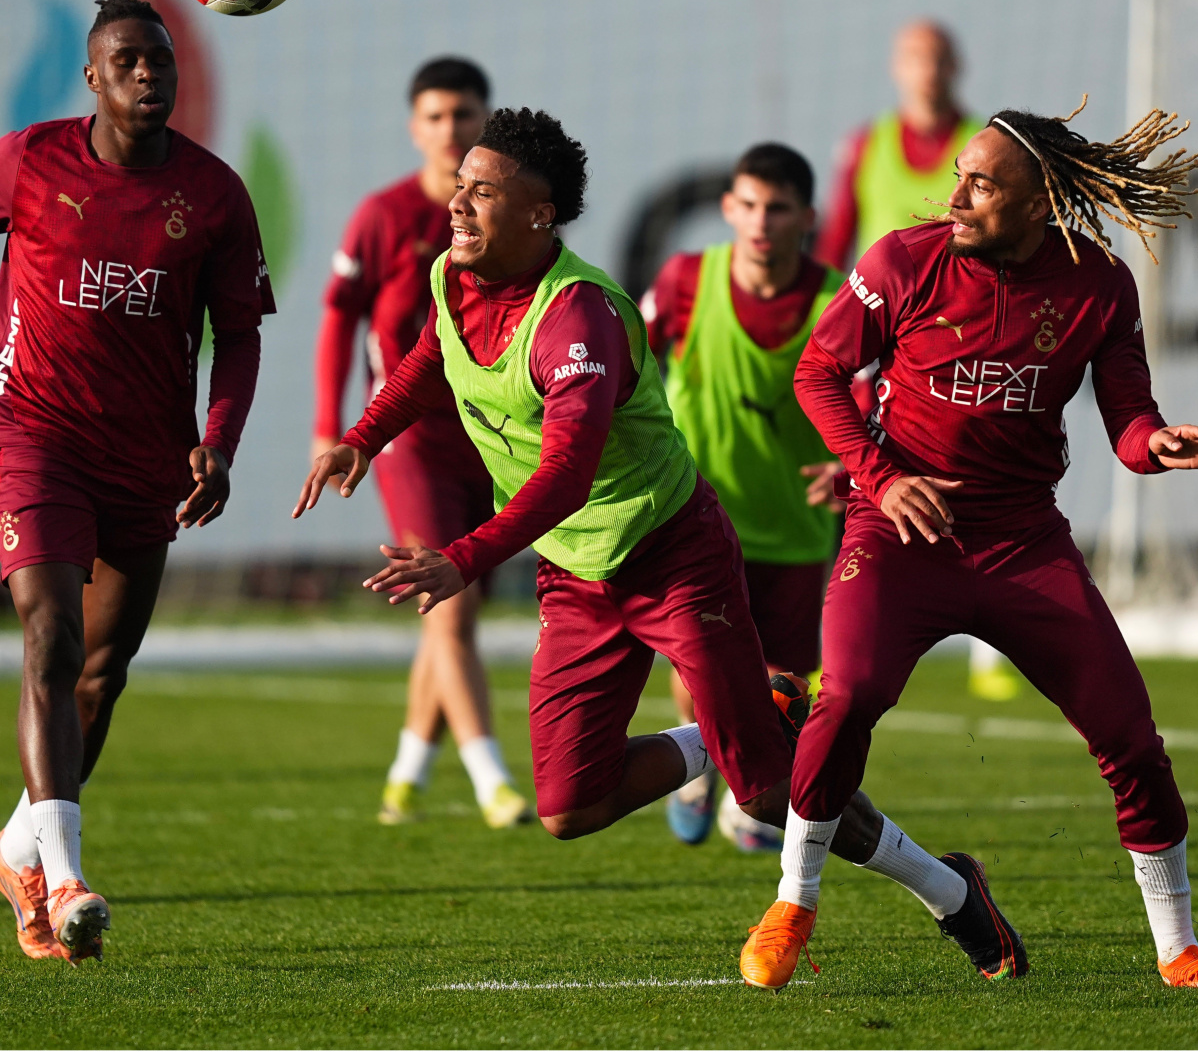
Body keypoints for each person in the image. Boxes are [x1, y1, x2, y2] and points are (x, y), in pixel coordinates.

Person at [293, 109, 1020, 982]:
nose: (458, 203)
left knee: (764, 792)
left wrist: (463, 558)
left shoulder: (579, 317)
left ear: (541, 214)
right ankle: (738, 725)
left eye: (482, 191)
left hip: (671, 554)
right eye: (461, 186)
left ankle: (950, 891)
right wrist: (362, 437)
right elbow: (429, 355)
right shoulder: (453, 274)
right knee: (569, 807)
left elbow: (566, 474)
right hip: (577, 572)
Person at [739, 100, 1198, 992]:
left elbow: (1129, 417)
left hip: (1022, 541)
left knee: (1131, 738)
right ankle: (792, 904)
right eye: (959, 178)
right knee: (847, 696)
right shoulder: (905, 261)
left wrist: (1155, 443)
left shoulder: (1100, 283)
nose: (957, 197)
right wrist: (881, 477)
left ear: (1039, 200)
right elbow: (819, 372)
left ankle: (1179, 950)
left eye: (981, 184)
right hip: (899, 532)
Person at [0, 0, 274, 965]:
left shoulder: (214, 194)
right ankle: (67, 876)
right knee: (50, 633)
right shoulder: (30, 160)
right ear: (92, 77)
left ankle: (18, 852)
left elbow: (239, 334)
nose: (149, 74)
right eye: (128, 61)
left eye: (160, 59)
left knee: (100, 675)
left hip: (146, 460)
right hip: (32, 436)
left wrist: (219, 441)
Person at [313, 56, 529, 830]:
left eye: (463, 115)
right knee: (453, 608)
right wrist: (329, 425)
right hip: (408, 443)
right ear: (414, 128)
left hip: (491, 437)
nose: (449, 129)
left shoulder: (509, 218)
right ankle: (494, 781)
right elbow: (340, 316)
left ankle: (407, 773)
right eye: (435, 116)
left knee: (453, 613)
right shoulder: (384, 215)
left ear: (485, 125)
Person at [641, 143, 844, 851]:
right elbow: (627, 361)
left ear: (807, 218)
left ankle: (741, 795)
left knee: (787, 684)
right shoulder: (685, 280)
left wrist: (851, 462)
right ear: (728, 208)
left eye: (778, 208)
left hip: (794, 524)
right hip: (695, 518)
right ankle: (700, 772)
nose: (761, 222)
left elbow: (874, 396)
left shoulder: (836, 301)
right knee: (697, 666)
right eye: (749, 205)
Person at [816, 19, 1014, 701]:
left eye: (938, 58)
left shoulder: (984, 143)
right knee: (861, 473)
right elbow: (836, 240)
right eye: (915, 58)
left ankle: (991, 648)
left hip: (972, 335)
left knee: (985, 469)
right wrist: (826, 325)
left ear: (956, 66)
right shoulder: (866, 145)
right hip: (884, 336)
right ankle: (846, 634)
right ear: (897, 68)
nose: (927, 71)